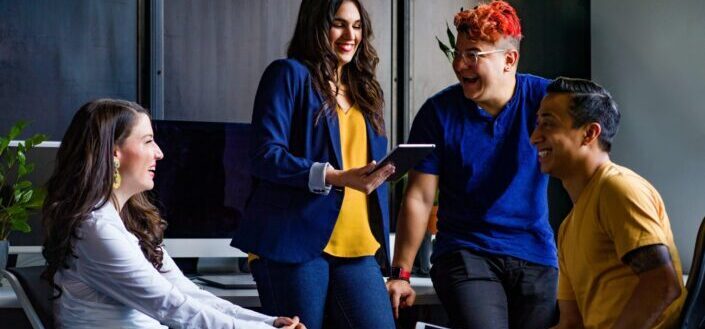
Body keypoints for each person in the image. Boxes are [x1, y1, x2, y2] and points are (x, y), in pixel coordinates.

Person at [41, 99, 305, 329]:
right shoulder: (96, 229)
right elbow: (171, 307)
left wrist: (266, 322)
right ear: (114, 153)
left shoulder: (127, 222)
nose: (160, 152)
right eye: (148, 141)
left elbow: (187, 293)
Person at [387, 2, 558, 328]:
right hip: (465, 254)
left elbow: (594, 133)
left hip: (535, 255)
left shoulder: (546, 100)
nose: (459, 63)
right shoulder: (438, 113)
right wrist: (401, 274)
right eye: (458, 53)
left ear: (509, 60)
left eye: (473, 54)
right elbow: (420, 197)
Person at [230, 1, 396, 329]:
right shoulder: (288, 74)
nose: (351, 35)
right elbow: (265, 155)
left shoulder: (366, 90)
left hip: (358, 243)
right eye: (339, 24)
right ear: (316, 26)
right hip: (294, 240)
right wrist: (333, 176)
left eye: (357, 26)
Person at [531, 77, 686, 329]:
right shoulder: (568, 227)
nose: (534, 137)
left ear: (589, 133)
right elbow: (571, 323)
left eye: (548, 125)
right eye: (538, 125)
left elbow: (662, 284)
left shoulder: (618, 189)